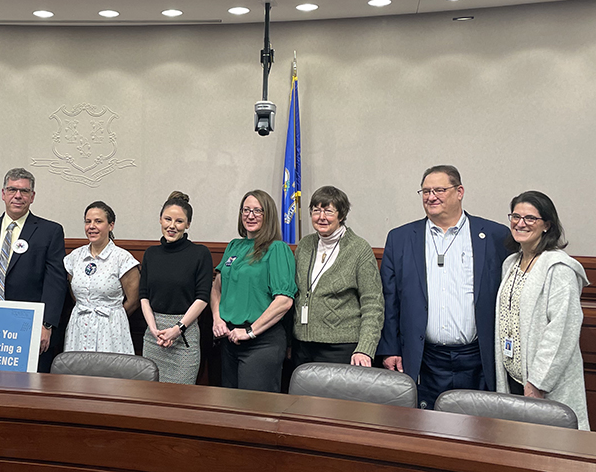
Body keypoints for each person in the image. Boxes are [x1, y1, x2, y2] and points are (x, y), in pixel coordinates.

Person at [377, 165, 510, 409]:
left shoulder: (495, 236)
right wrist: (390, 348)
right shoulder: (401, 238)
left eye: (439, 190)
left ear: (459, 192)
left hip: (478, 357)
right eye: (425, 191)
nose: (431, 197)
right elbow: (389, 298)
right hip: (425, 359)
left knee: (478, 430)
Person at [494, 191, 589, 430]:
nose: (520, 223)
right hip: (513, 378)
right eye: (515, 216)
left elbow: (562, 331)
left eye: (530, 218)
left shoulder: (559, 268)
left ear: (547, 225)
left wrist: (538, 382)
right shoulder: (511, 264)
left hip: (545, 384)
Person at [0, 168, 66, 372]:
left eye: (24, 191)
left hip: (28, 328)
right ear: (3, 194)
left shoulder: (49, 231)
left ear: (32, 197)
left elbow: (55, 282)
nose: (18, 196)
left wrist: (46, 325)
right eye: (12, 190)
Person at [211, 190, 295, 391]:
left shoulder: (277, 249)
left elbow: (284, 301)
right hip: (230, 338)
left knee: (254, 410)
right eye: (246, 210)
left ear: (269, 215)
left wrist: (250, 331)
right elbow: (216, 287)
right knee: (230, 407)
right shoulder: (234, 246)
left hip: (262, 342)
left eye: (258, 211)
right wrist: (217, 319)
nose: (250, 215)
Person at [291, 186, 383, 368]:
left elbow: (373, 303)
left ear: (341, 215)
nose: (321, 217)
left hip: (342, 348)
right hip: (302, 346)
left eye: (328, 211)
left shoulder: (359, 249)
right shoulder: (304, 245)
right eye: (316, 211)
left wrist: (365, 348)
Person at [139, 191, 213, 384]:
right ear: (160, 220)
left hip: (184, 336)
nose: (172, 226)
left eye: (179, 221)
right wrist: (154, 329)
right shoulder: (151, 254)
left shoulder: (200, 253)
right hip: (153, 337)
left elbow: (202, 297)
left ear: (188, 224)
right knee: (150, 398)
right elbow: (144, 296)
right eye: (168, 219)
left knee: (180, 400)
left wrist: (177, 329)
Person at [63, 201, 140, 354]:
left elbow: (133, 301)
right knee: (77, 374)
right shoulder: (74, 257)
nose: (92, 226)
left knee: (109, 374)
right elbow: (74, 294)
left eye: (98, 221)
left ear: (111, 225)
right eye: (88, 221)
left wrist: (112, 317)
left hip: (110, 330)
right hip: (79, 326)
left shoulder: (122, 259)